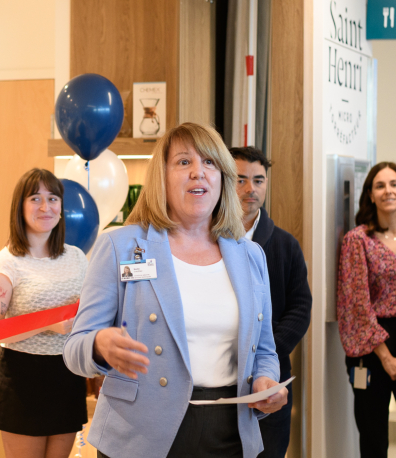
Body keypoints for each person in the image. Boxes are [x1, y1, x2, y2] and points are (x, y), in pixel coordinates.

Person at [63, 123, 287, 458]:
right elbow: (73, 349)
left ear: (222, 178)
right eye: (184, 162)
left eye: (209, 162)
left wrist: (266, 381)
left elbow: (265, 351)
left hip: (230, 434)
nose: (199, 172)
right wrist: (98, 344)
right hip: (139, 435)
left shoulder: (250, 255)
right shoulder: (119, 246)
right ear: (162, 177)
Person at [0, 168, 88, 458]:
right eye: (35, 198)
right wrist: (49, 324)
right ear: (20, 206)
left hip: (68, 372)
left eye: (52, 198)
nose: (45, 207)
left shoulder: (77, 258)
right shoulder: (6, 262)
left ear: (61, 207)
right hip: (22, 376)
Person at [230, 146, 312, 458]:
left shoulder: (286, 245)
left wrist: (264, 351)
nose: (250, 189)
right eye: (240, 179)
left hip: (270, 375)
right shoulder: (204, 240)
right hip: (218, 375)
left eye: (259, 180)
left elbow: (300, 308)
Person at [337, 162, 396, 457]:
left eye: (394, 184)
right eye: (380, 186)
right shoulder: (358, 240)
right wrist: (387, 358)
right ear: (370, 194)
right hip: (370, 347)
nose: (388, 191)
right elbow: (355, 303)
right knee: (374, 440)